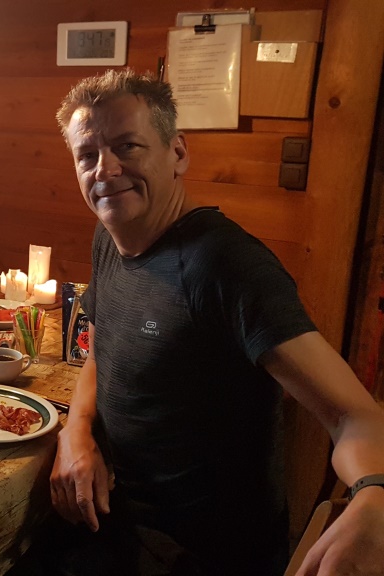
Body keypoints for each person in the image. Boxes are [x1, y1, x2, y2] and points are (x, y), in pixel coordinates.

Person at [33, 69, 384, 575]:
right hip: (116, 524)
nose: (104, 169)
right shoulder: (109, 236)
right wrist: (76, 429)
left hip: (203, 556)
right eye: (87, 155)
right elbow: (103, 346)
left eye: (127, 146)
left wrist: (374, 496)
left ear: (177, 152)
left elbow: (356, 416)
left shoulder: (226, 265)